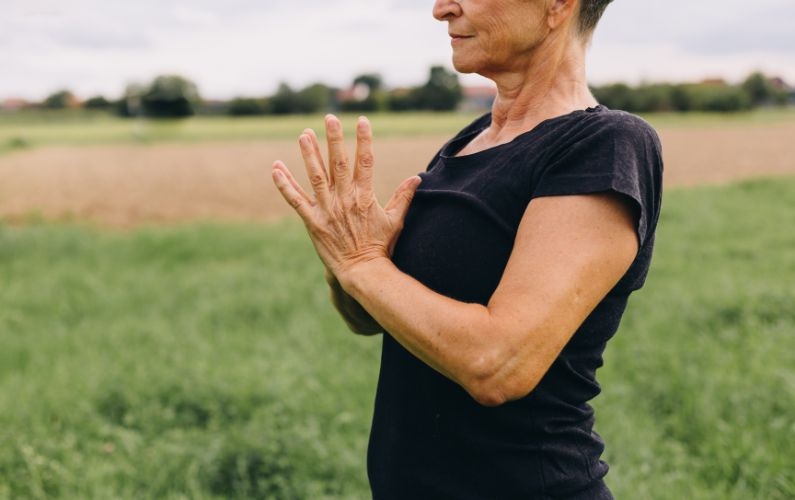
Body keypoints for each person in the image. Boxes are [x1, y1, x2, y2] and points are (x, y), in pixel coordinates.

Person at [271, 0, 663, 497]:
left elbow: (499, 364)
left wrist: (363, 264)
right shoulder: (471, 141)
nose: (441, 9)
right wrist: (345, 258)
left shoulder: (605, 144)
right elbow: (369, 317)